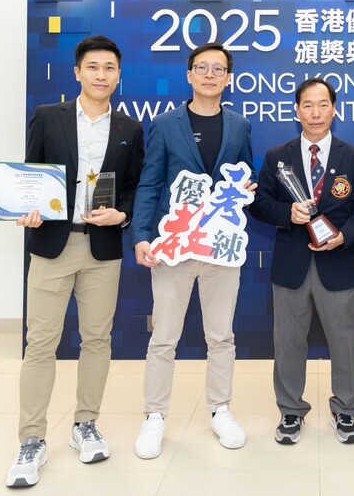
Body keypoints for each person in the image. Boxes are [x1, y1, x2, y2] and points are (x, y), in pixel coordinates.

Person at [7, 35, 145, 488]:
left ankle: (85, 424)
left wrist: (122, 214)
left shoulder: (129, 128)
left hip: (102, 248)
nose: (101, 75)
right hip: (52, 244)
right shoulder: (49, 117)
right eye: (93, 67)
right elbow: (30, 173)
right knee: (40, 344)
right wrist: (25, 208)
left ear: (118, 75)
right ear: (77, 72)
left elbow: (134, 186)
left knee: (97, 340)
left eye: (109, 68)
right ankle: (31, 439)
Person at [132, 43, 255, 458]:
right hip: (175, 245)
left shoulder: (239, 126)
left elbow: (246, 175)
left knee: (221, 335)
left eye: (218, 69)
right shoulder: (165, 124)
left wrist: (248, 188)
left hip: (220, 247)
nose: (209, 75)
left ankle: (220, 410)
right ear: (189, 75)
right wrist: (141, 235)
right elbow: (150, 182)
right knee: (164, 337)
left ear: (228, 78)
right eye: (202, 67)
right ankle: (154, 416)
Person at [250, 78, 354, 445]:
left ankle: (346, 410)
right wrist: (286, 213)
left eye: (323, 104)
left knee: (345, 341)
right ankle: (291, 410)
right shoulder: (278, 155)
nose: (316, 112)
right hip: (291, 264)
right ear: (296, 111)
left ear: (334, 110)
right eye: (307, 105)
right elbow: (259, 204)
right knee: (288, 342)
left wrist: (345, 236)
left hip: (339, 262)